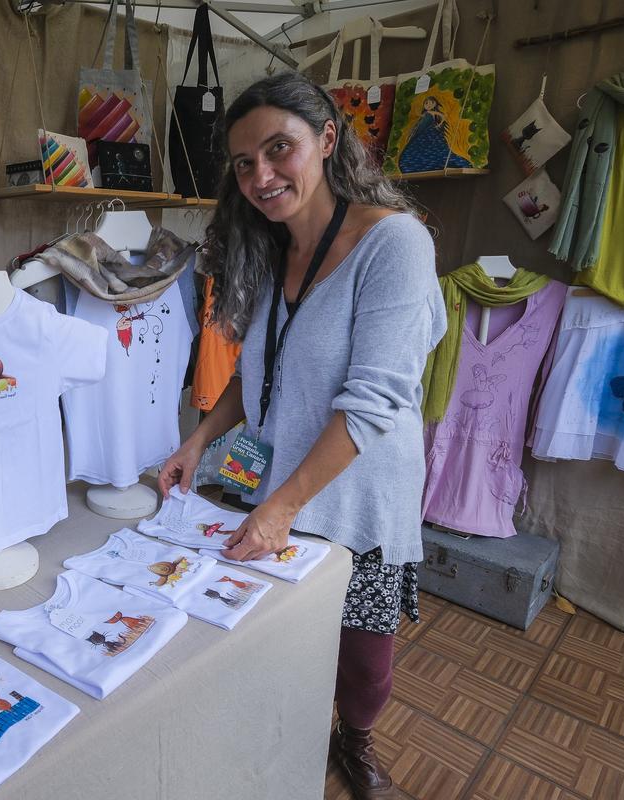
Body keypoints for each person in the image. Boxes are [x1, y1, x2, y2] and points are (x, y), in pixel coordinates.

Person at [159, 73, 445, 800]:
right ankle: (283, 734)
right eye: (244, 163)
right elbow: (262, 376)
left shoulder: (394, 245)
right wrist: (200, 440)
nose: (261, 175)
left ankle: (356, 743)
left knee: (363, 659)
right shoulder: (268, 248)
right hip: (278, 483)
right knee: (281, 637)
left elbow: (374, 399)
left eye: (278, 149)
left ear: (326, 139)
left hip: (358, 498)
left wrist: (282, 507)